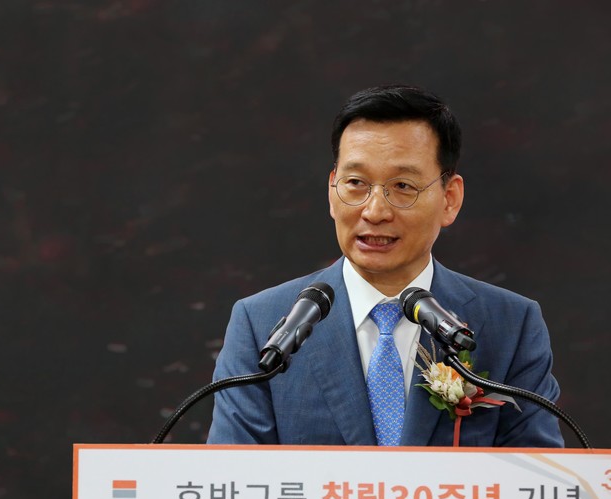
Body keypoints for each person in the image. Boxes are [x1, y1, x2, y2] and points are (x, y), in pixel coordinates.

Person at [207, 85, 564, 447]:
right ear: (332, 190)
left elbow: (538, 476)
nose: (375, 211)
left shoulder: (510, 325)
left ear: (450, 199)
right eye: (356, 183)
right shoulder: (262, 325)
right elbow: (231, 474)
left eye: (403, 185)